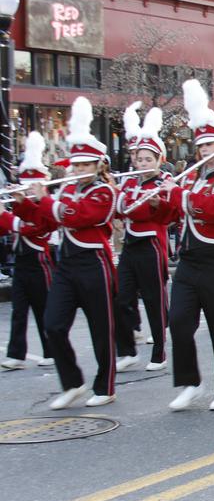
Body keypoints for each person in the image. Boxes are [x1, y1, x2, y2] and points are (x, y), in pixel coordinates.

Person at [11, 97, 118, 409]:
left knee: (101, 329)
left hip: (94, 264)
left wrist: (45, 199)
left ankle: (105, 386)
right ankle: (72, 382)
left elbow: (79, 215)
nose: (80, 170)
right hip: (67, 265)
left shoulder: (104, 190)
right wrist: (22, 202)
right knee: (53, 324)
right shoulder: (67, 189)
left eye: (86, 165)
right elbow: (46, 218)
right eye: (77, 165)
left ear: (98, 165)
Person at [161, 80, 214, 412]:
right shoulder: (192, 180)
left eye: (212, 146)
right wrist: (163, 196)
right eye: (202, 147)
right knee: (178, 321)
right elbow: (171, 213)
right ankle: (189, 382)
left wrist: (182, 195)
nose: (205, 153)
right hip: (188, 261)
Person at [114, 103, 172, 372]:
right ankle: (127, 351)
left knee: (153, 299)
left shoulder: (163, 182)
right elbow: (118, 208)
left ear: (159, 160)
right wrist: (127, 201)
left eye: (148, 159)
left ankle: (159, 352)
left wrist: (131, 203)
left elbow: (140, 212)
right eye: (139, 159)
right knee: (121, 298)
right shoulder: (128, 182)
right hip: (130, 246)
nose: (143, 164)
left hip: (150, 245)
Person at [0, 132, 57, 371]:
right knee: (19, 310)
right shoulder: (22, 206)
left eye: (32, 188)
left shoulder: (47, 206)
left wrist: (7, 213)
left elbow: (35, 228)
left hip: (39, 261)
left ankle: (51, 350)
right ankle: (16, 354)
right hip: (22, 263)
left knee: (43, 308)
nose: (27, 192)